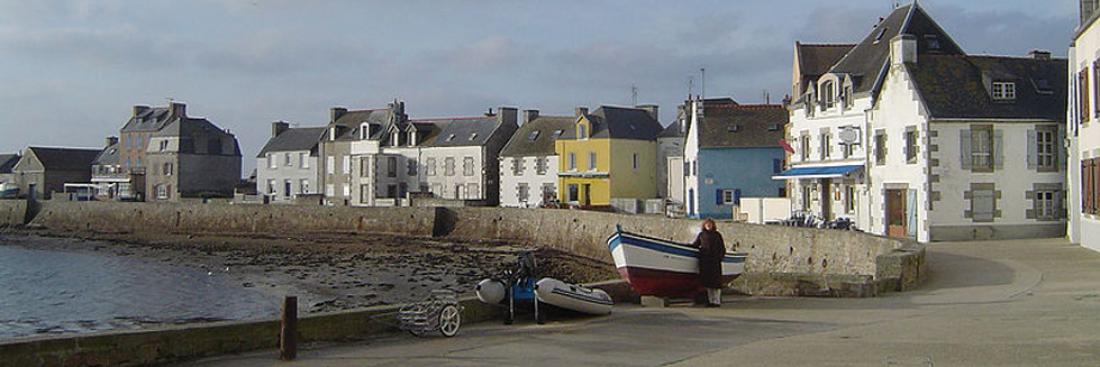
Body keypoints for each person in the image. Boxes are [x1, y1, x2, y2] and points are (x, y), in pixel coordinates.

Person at [691, 218, 726, 307]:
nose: (709, 226)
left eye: (710, 225)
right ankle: (711, 301)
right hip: (705, 262)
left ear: (713, 225)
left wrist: (719, 258)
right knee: (708, 283)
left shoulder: (717, 235)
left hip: (714, 261)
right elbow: (695, 244)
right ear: (704, 225)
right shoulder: (702, 235)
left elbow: (722, 248)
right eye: (707, 225)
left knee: (716, 284)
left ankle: (717, 301)